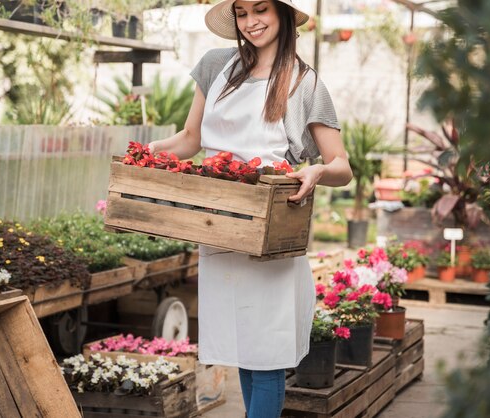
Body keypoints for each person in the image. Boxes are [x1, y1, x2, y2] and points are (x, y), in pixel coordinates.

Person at [148, 1, 352, 416]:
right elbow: (190, 139)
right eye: (242, 13)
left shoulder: (304, 84)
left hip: (271, 223)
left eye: (261, 10)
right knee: (242, 347)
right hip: (220, 220)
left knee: (268, 355)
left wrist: (314, 172)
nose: (251, 22)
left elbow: (342, 166)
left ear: (282, 14)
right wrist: (151, 151)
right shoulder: (216, 66)